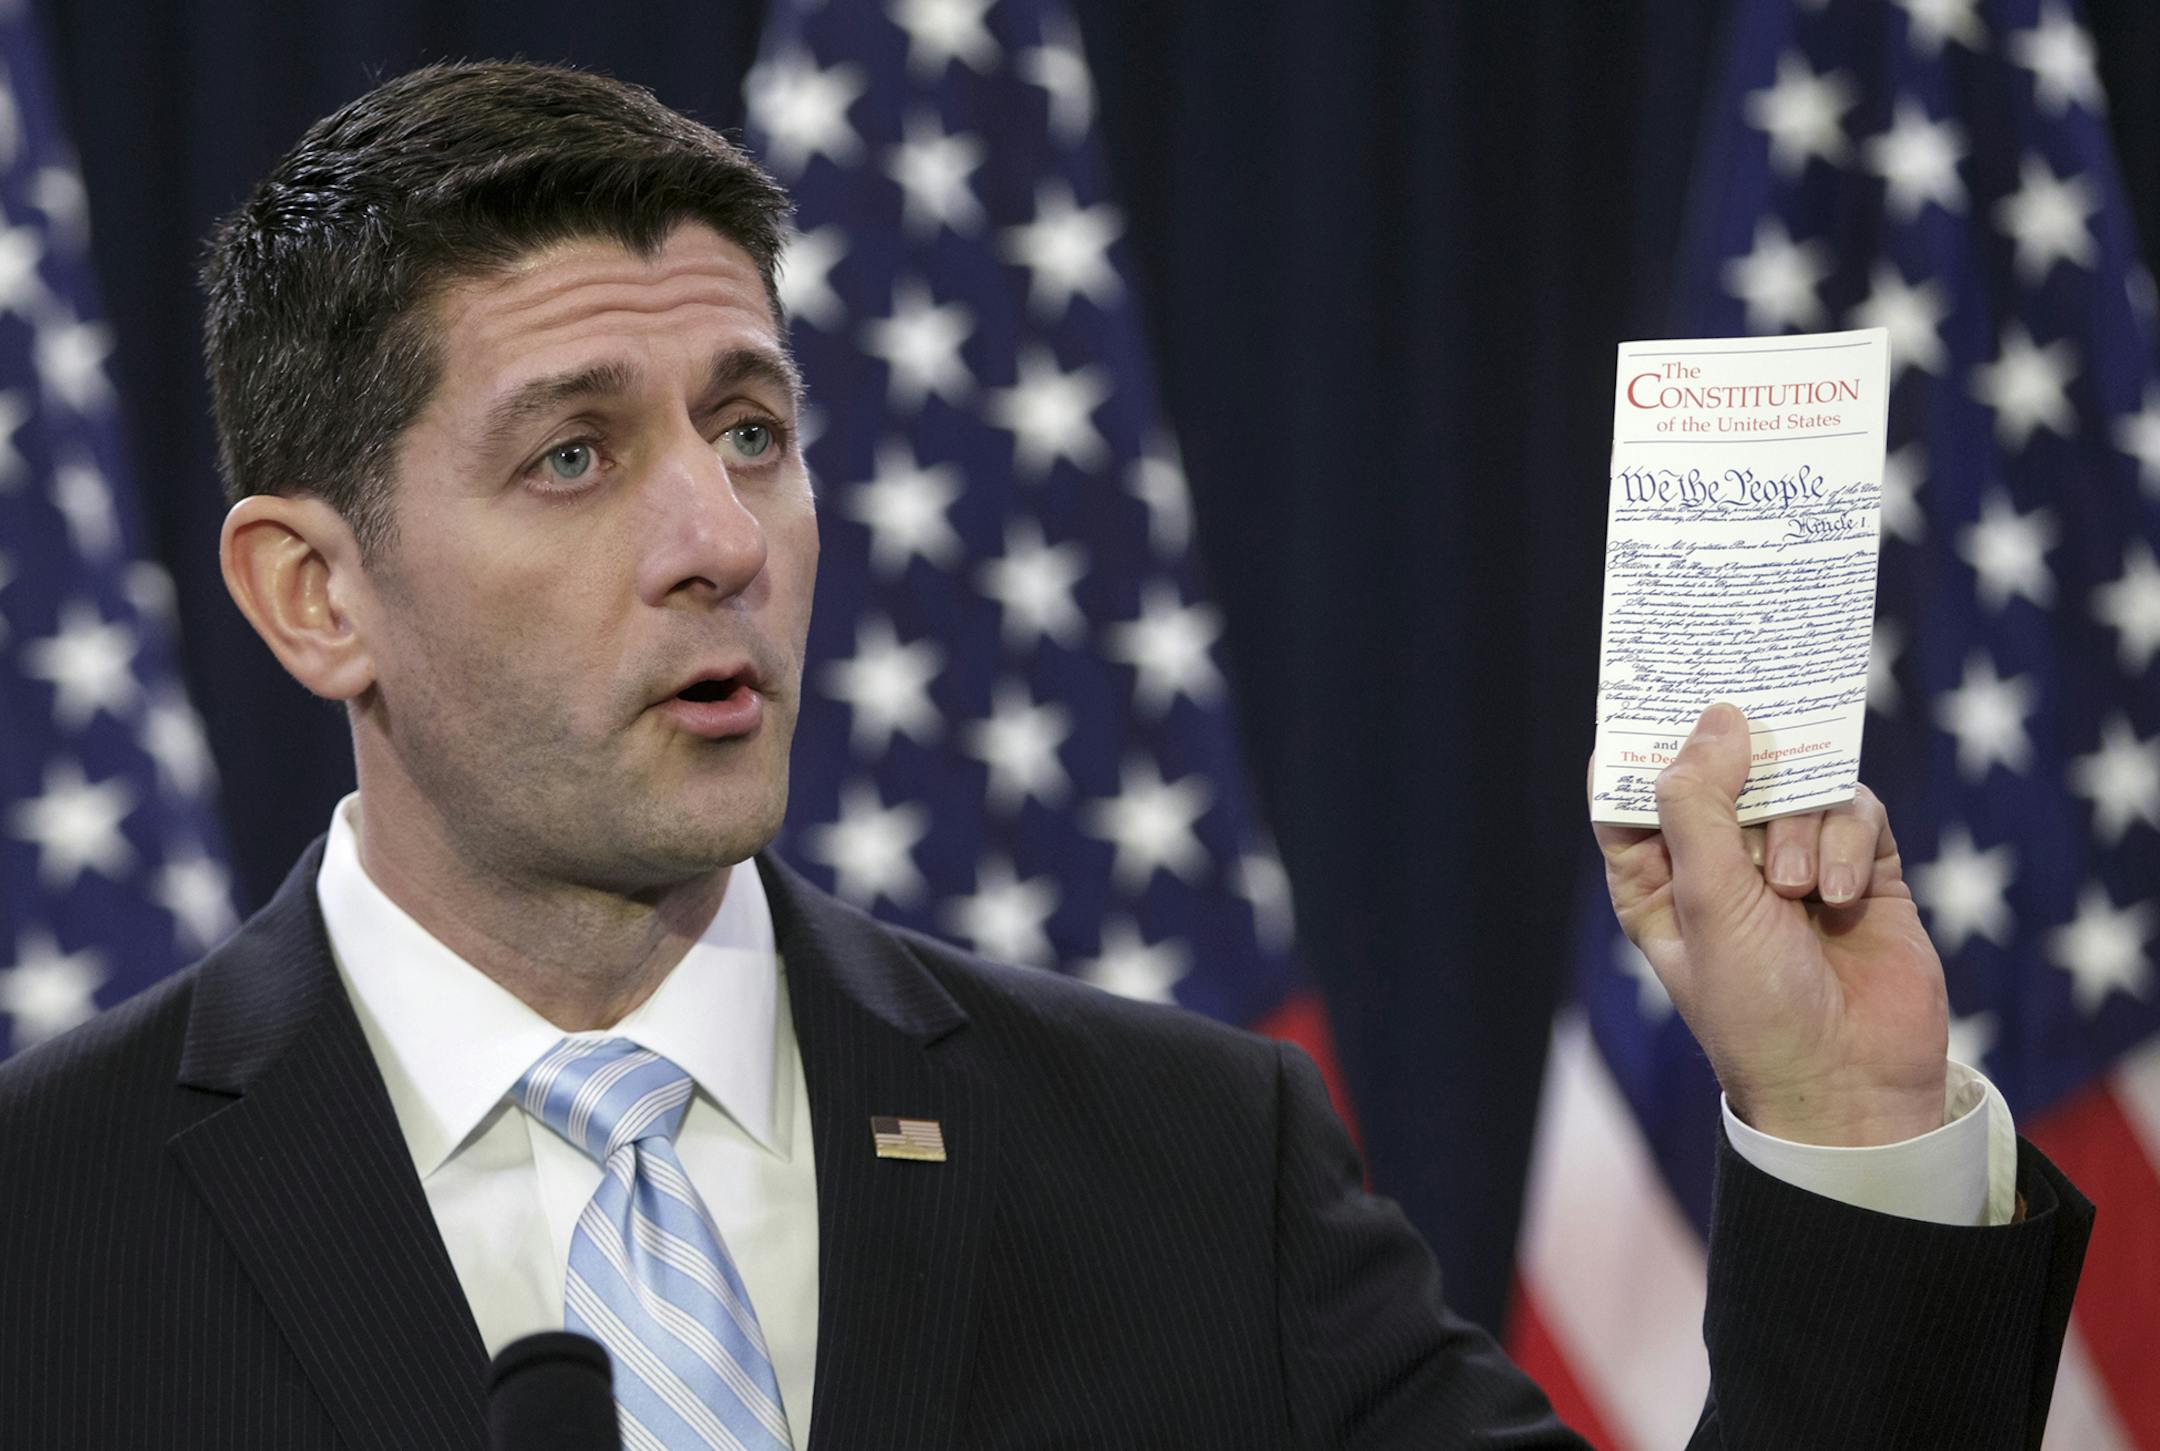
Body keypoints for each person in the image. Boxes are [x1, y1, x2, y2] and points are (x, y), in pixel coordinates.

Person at [0, 60, 2090, 1450]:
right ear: (311, 594)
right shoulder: (46, 1231)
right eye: (573, 456)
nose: (723, 539)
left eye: (753, 430)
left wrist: (1847, 1124)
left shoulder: (1192, 1171)